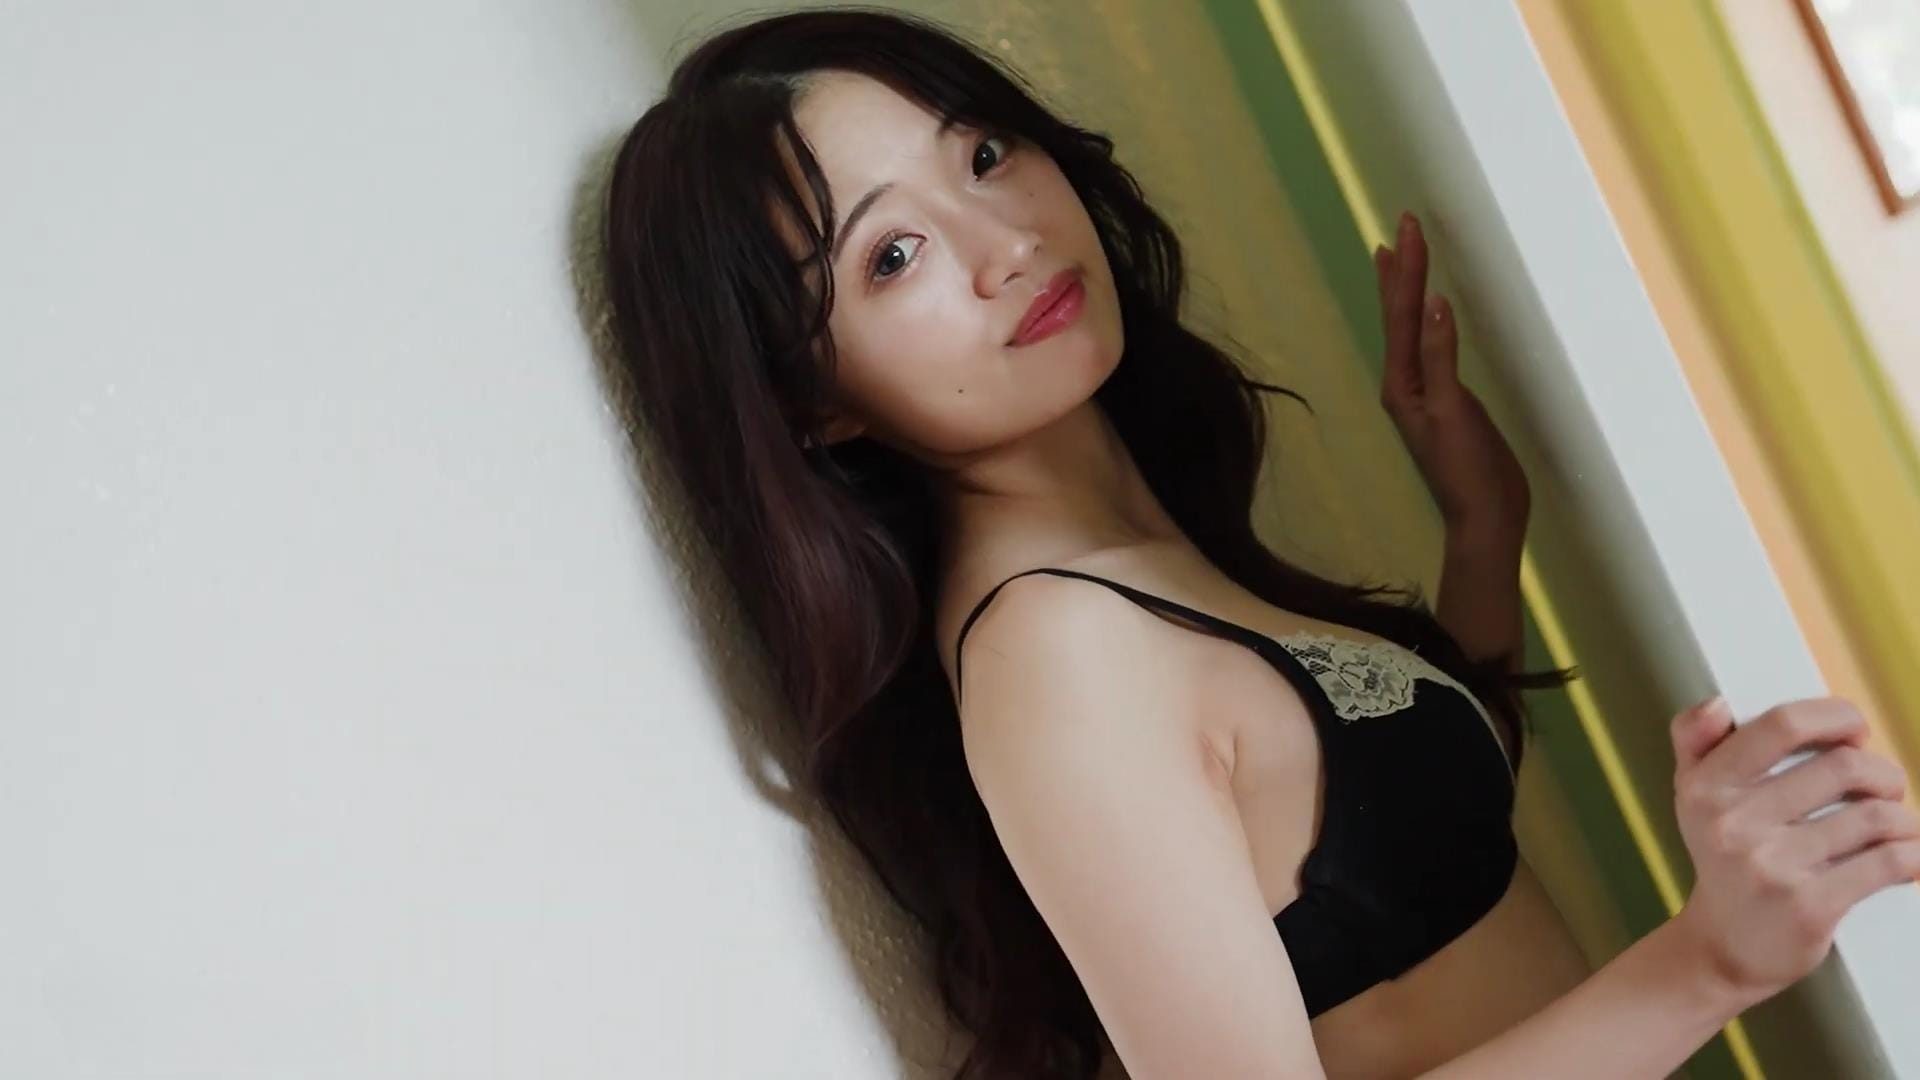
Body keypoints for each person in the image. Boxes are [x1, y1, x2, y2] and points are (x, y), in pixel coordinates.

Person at [599, 9, 1920, 1078]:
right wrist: (1712, 962)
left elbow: (1384, 877)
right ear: (812, 403)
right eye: (893, 255)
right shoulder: (1055, 651)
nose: (1003, 242)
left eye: (983, 155)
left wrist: (1482, 530)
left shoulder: (1135, 571)